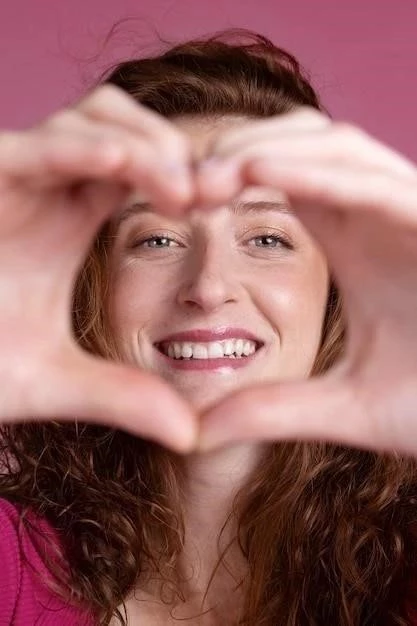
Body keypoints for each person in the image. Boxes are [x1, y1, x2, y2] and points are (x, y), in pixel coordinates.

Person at [0, 28, 417, 625]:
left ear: (338, 291)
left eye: (268, 238)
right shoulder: (12, 569)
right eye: (158, 239)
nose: (208, 286)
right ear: (86, 286)